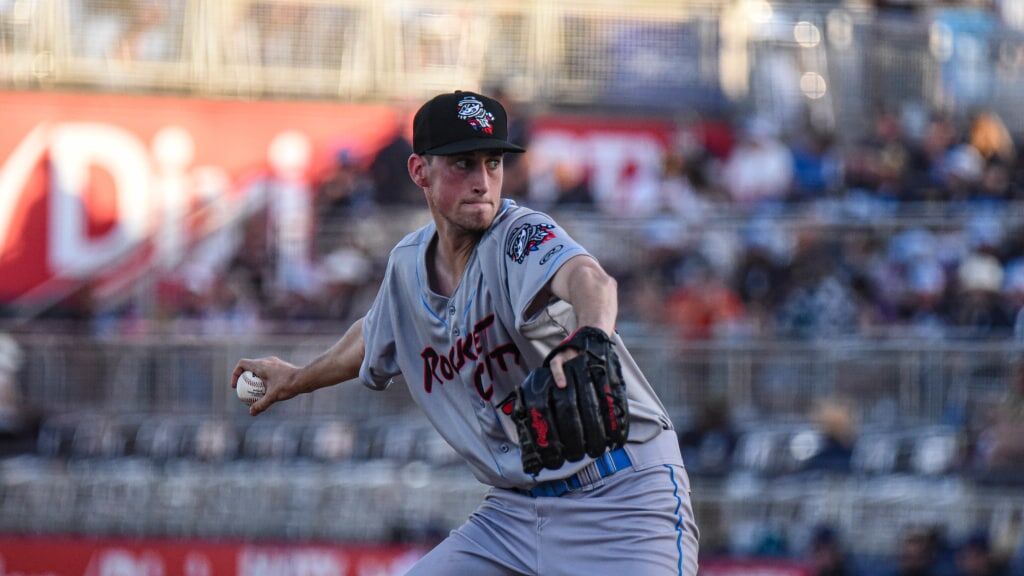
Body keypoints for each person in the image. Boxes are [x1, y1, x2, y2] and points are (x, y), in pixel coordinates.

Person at [232, 90, 700, 575]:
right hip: (514, 516)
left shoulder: (518, 235)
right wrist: (296, 377)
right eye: (463, 164)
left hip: (621, 500)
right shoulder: (407, 266)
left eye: (492, 162)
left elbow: (590, 279)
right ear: (420, 172)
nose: (482, 181)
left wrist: (591, 337)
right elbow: (373, 336)